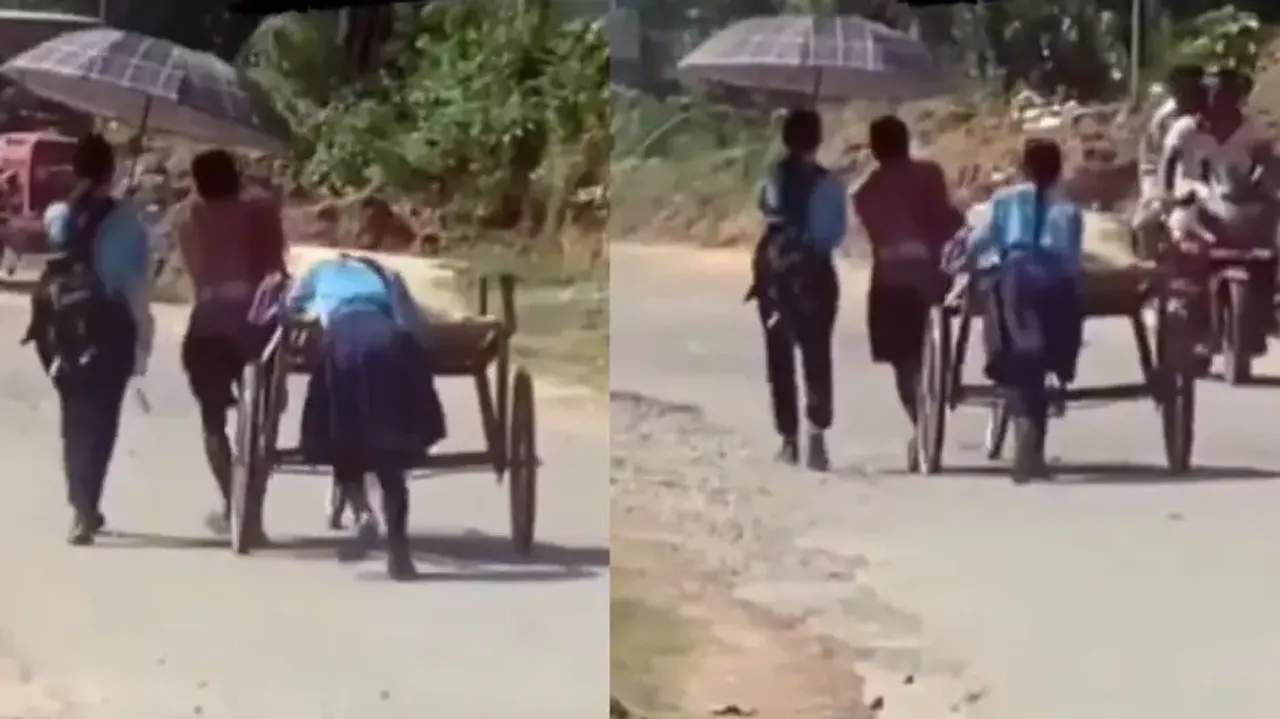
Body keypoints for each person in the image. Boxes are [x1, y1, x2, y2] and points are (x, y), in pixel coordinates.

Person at [286, 252, 446, 580]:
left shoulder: (319, 272)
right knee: (391, 458)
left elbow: (289, 310)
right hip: (390, 343)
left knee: (341, 439)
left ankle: (362, 513)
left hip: (344, 344)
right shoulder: (387, 275)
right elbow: (415, 326)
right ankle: (399, 551)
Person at [35, 134, 154, 543]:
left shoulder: (60, 215)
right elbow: (135, 286)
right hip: (110, 325)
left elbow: (58, 228)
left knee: (73, 417)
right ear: (112, 170)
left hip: (62, 325)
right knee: (102, 420)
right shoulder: (128, 223)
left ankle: (79, 503)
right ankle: (87, 506)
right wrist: (144, 339)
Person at [173, 149, 287, 536]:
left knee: (212, 422)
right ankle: (252, 508)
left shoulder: (187, 217)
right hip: (256, 325)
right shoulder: (261, 211)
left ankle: (230, 503)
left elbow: (195, 272)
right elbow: (275, 269)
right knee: (262, 424)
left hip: (207, 324)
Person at [964, 139, 1084, 481]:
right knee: (1044, 358)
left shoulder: (1004, 201)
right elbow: (1073, 261)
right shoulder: (1070, 210)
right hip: (1056, 286)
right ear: (1058, 170)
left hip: (1016, 282)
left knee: (1019, 359)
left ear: (1024, 168)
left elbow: (980, 243)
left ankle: (1027, 447)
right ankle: (1033, 448)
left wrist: (965, 265)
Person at [852, 114, 965, 455]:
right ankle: (933, 407)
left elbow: (873, 235)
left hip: (889, 281)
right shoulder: (929, 175)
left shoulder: (864, 192)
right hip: (929, 277)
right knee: (927, 348)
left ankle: (921, 426)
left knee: (902, 362)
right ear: (906, 141)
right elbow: (945, 222)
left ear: (874, 149)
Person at [747, 108, 846, 471]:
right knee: (817, 354)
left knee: (780, 356)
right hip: (816, 274)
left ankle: (788, 440)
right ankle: (817, 436)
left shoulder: (773, 176)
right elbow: (833, 234)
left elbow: (765, 206)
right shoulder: (829, 184)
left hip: (775, 275)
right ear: (818, 140)